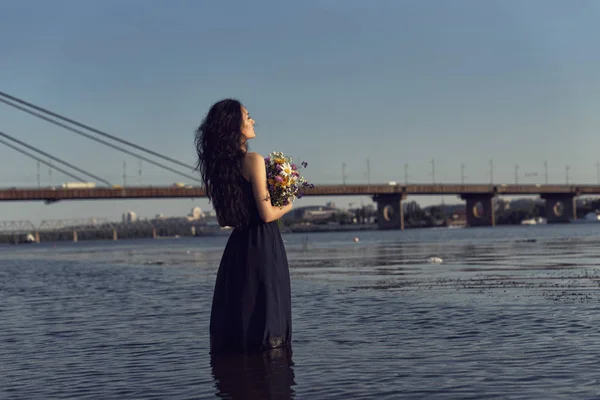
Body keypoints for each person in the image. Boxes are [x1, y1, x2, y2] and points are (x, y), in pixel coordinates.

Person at [195, 99, 294, 354]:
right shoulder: (253, 160)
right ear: (234, 125)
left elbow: (224, 219)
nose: (252, 120)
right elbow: (266, 214)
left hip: (238, 249)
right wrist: (289, 202)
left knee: (241, 311)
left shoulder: (219, 168)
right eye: (247, 116)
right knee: (267, 311)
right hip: (262, 245)